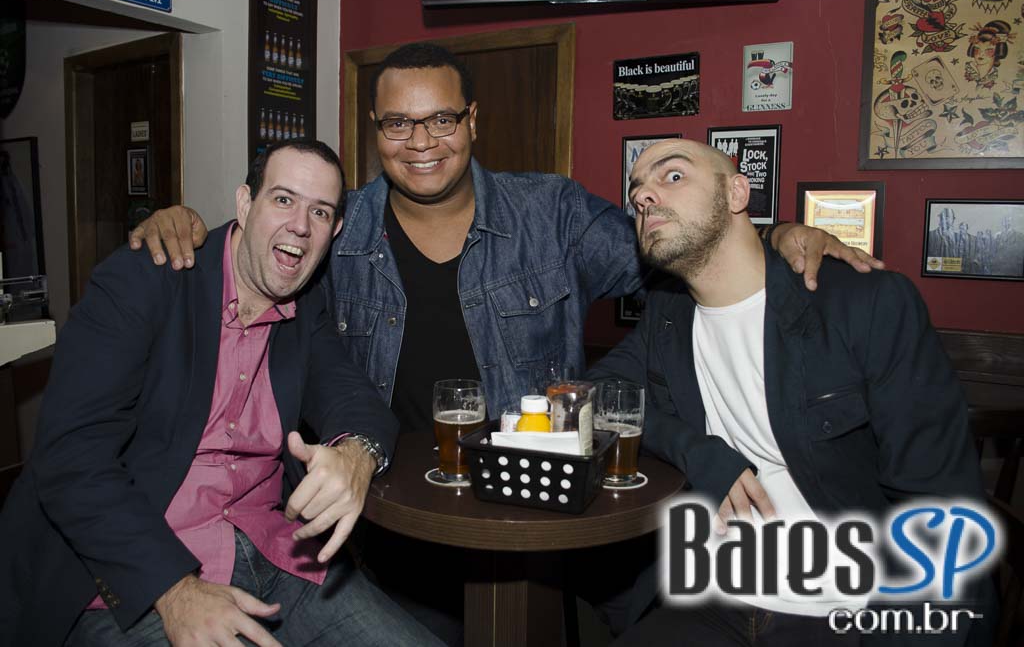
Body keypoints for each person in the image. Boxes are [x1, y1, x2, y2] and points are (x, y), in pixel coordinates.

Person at [128, 44, 879, 641]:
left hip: (546, 521)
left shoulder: (550, 213)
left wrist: (777, 235)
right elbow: (261, 253)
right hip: (390, 528)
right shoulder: (337, 227)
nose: (421, 142)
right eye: (397, 124)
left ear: (473, 121)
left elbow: (679, 250)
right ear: (375, 131)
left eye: (441, 119)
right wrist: (186, 227)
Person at [0, 140, 443, 647]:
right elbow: (69, 456)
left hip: (277, 554)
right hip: (137, 575)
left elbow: (355, 397)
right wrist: (174, 591)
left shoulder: (305, 306)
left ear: (334, 230)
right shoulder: (144, 280)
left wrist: (356, 454)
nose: (300, 225)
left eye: (320, 211)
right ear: (245, 204)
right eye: (283, 199)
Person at [587, 139, 994, 646]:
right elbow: (591, 395)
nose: (644, 196)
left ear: (737, 193)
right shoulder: (668, 315)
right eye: (637, 191)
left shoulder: (862, 304)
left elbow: (938, 509)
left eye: (672, 176)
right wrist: (695, 452)